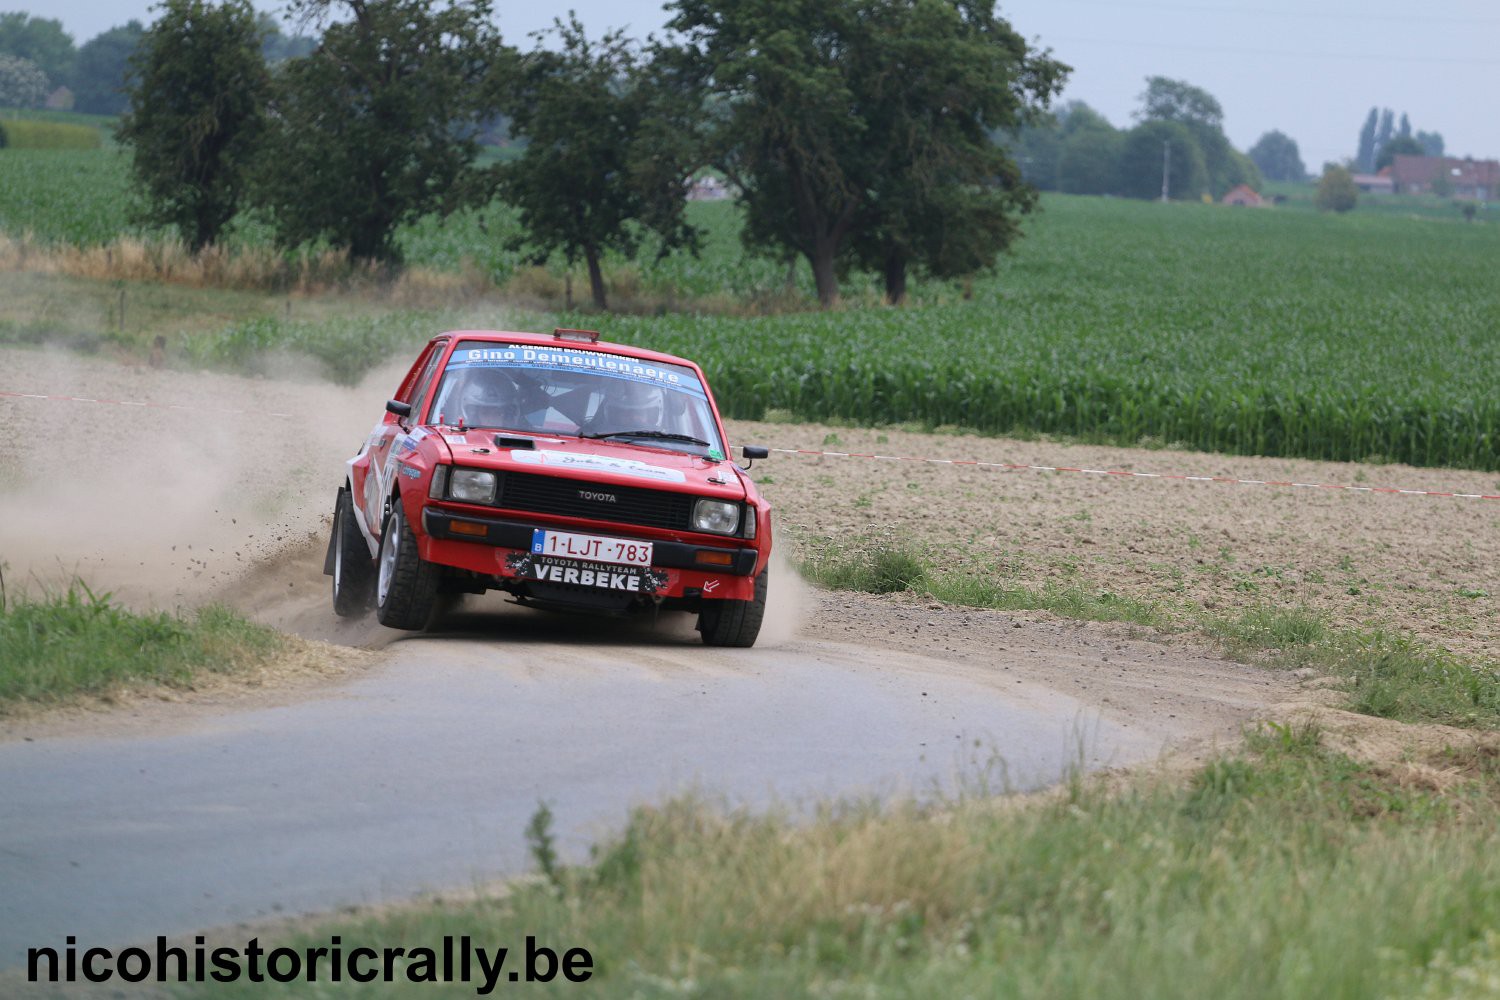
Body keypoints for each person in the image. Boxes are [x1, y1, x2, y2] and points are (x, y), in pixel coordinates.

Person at [593, 379, 666, 432]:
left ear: (650, 417)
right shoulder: (592, 433)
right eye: (627, 413)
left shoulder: (662, 441)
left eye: (639, 413)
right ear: (615, 415)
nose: (633, 418)